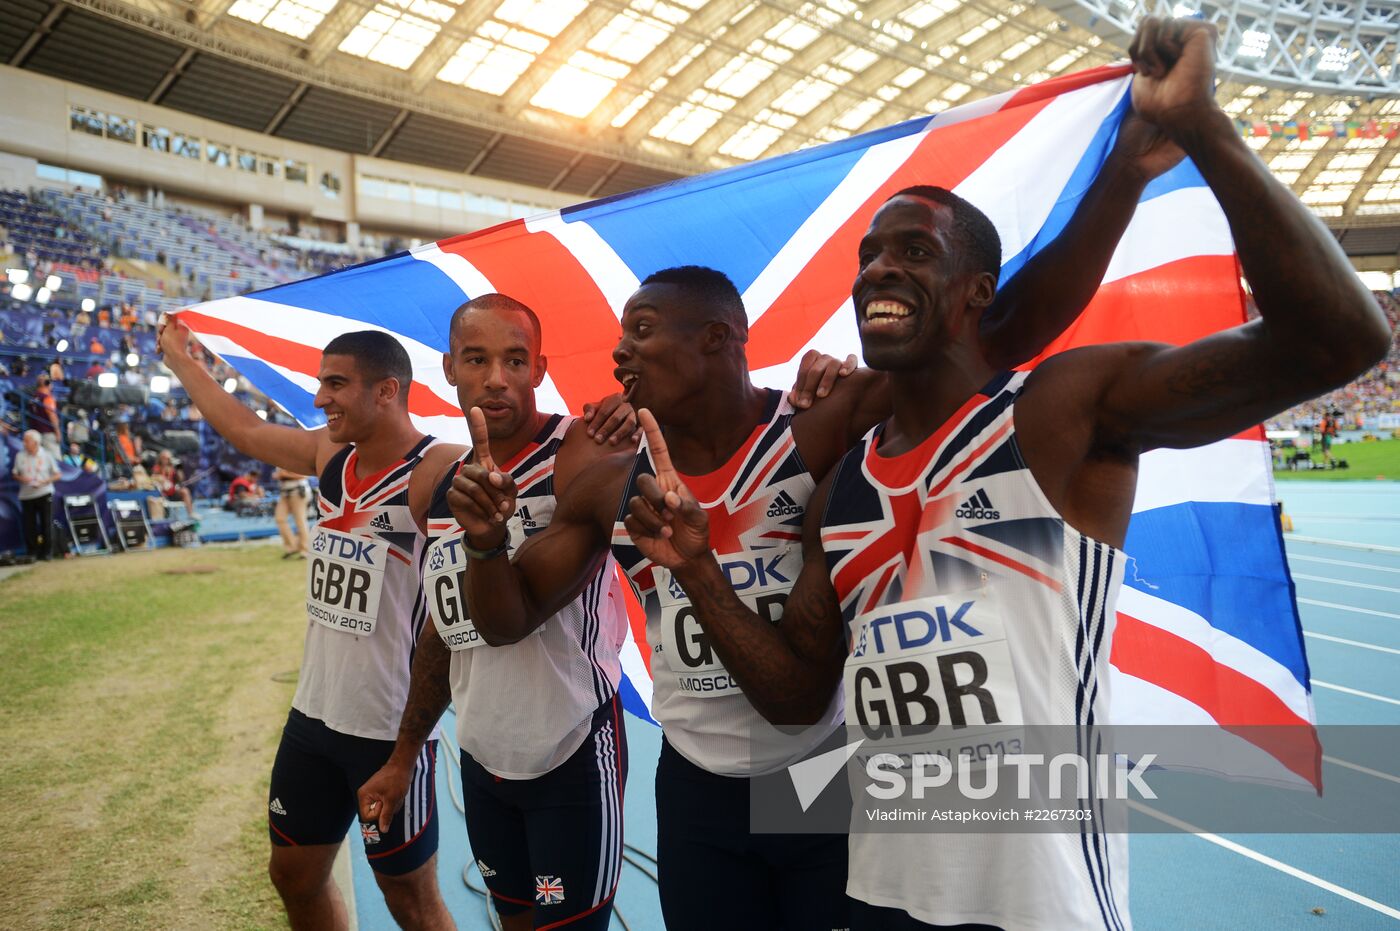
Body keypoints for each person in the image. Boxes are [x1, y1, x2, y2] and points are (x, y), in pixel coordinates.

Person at [619, 18, 1390, 930]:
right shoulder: (845, 493)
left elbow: (1338, 338)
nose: (878, 269)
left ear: (977, 292)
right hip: (878, 895)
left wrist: (1203, 128)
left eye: (912, 250)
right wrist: (700, 572)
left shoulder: (1058, 412)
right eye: (868, 255)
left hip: (1041, 906)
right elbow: (794, 700)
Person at [444, 114, 1174, 931]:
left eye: (640, 333)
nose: (619, 356)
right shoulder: (611, 481)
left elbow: (990, 332)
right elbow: (505, 618)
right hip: (696, 787)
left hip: (821, 771)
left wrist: (1123, 179)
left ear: (719, 340)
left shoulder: (817, 428)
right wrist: (483, 541)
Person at [159, 318, 463, 931]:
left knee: (411, 901)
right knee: (293, 876)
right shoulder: (330, 455)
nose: (320, 398)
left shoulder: (437, 469)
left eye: (335, 384)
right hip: (313, 714)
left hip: (387, 728)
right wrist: (183, 362)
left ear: (387, 391)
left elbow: (531, 469)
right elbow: (246, 430)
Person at [357, 294, 646, 931]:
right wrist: (403, 756)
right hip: (484, 755)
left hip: (571, 749)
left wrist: (633, 410)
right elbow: (443, 627)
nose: (496, 378)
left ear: (539, 369)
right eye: (477, 359)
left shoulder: (582, 449)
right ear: (448, 369)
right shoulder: (440, 487)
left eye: (515, 360)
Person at [13, 429, 61, 560]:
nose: (24, 443)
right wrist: (23, 479)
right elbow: (15, 474)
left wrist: (45, 481)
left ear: (35, 442)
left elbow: (57, 474)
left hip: (44, 492)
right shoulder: (20, 455)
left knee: (46, 523)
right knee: (29, 525)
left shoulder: (46, 455)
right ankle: (32, 552)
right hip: (26, 494)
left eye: (26, 440)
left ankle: (48, 552)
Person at [272, 466, 311, 558]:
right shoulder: (279, 458)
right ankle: (292, 546)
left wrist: (284, 474)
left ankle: (305, 550)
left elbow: (305, 475)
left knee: (300, 521)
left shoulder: (296, 457)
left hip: (298, 491)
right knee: (280, 519)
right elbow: (278, 474)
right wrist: (279, 475)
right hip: (284, 492)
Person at [152, 449, 198, 519]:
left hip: (172, 492)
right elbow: (153, 478)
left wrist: (178, 469)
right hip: (162, 493)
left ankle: (191, 513)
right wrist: (161, 479)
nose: (165, 460)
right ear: (160, 458)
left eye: (167, 458)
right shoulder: (157, 468)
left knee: (185, 491)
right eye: (164, 458)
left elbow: (180, 479)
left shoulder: (173, 468)